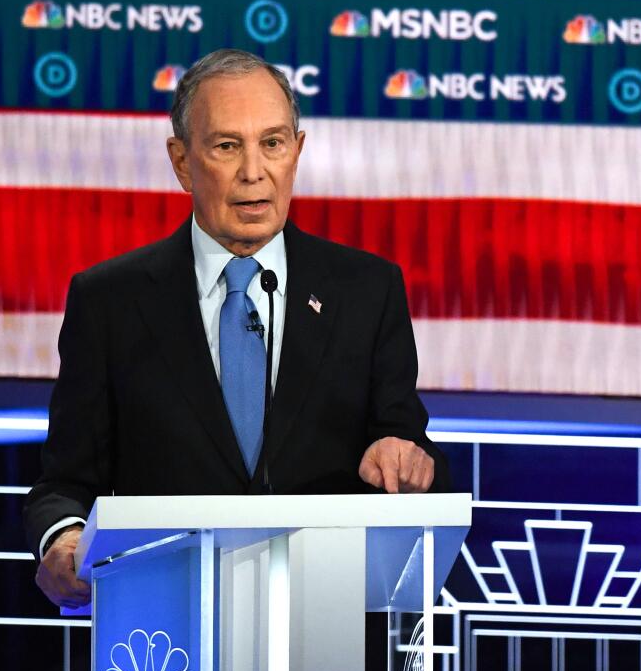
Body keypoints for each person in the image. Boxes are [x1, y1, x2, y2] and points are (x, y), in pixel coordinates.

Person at [26, 48, 449, 610]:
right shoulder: (109, 302)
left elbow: (406, 445)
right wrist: (62, 538)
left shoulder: (367, 292)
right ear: (182, 162)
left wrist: (407, 458)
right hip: (161, 634)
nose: (254, 171)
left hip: (329, 622)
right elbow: (64, 483)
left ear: (297, 152)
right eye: (227, 146)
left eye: (272, 143)